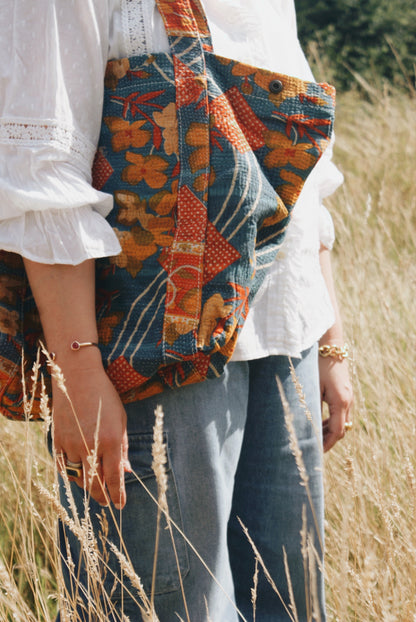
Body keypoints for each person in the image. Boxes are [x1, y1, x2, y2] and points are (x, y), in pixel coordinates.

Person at [0, 1, 353, 621]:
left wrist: (328, 336)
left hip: (286, 334)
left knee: (288, 606)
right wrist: (78, 373)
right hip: (150, 356)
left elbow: (305, 170)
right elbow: (42, 172)